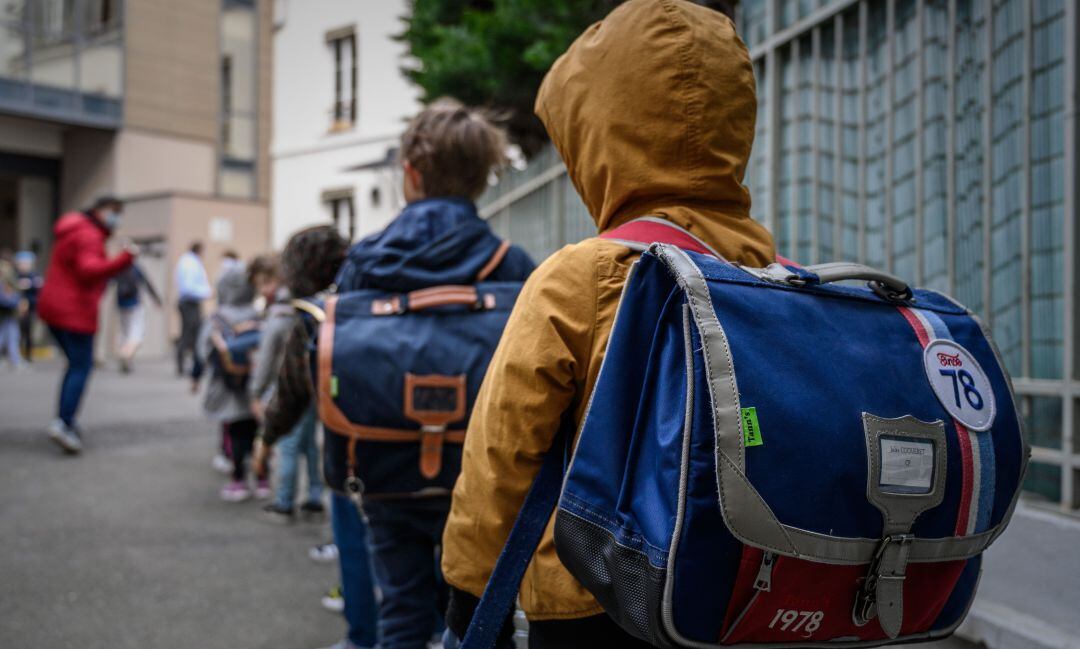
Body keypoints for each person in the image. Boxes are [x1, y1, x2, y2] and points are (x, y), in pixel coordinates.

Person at [439, 2, 777, 648]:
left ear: (600, 135)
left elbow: (501, 449)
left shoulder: (586, 275)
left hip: (591, 598)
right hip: (735, 590)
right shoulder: (768, 272)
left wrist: (467, 583)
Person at [325, 99, 535, 649]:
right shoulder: (512, 266)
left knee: (400, 610)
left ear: (410, 173)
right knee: (479, 614)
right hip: (480, 469)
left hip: (384, 462)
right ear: (482, 177)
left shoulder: (365, 261)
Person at [261, 225, 378, 649]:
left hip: (349, 453)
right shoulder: (382, 293)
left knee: (355, 547)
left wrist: (266, 440)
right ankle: (439, 631)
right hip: (417, 439)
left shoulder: (316, 314)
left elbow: (290, 389)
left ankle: (362, 637)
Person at [37, 195, 137, 453]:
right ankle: (64, 422)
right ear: (100, 210)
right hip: (73, 311)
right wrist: (124, 258)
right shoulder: (89, 234)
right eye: (114, 212)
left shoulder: (76, 228)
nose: (117, 218)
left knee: (75, 365)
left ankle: (65, 418)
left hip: (54, 306)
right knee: (81, 366)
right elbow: (89, 269)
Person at [246, 254, 324, 523]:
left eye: (265, 282)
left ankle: (284, 501)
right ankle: (315, 496)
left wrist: (256, 392)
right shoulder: (311, 307)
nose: (263, 290)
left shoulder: (279, 315)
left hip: (288, 387)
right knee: (311, 445)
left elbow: (267, 360)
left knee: (288, 445)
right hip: (315, 386)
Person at [192, 266, 267, 502]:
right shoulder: (258, 316)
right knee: (258, 433)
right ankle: (263, 478)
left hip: (226, 387)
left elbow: (203, 352)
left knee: (234, 433)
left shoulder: (217, 317)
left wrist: (197, 376)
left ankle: (238, 481)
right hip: (257, 384)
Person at [113, 263, 162, 373]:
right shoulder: (135, 268)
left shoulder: (118, 267)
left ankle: (125, 355)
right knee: (137, 333)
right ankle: (126, 354)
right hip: (134, 304)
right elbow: (147, 283)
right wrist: (157, 299)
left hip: (121, 305)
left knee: (125, 332)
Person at [175, 241, 211, 376]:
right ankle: (188, 366)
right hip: (189, 302)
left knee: (190, 334)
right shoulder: (190, 263)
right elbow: (189, 287)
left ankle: (192, 365)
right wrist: (207, 292)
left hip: (189, 302)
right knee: (190, 335)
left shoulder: (187, 261)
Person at [14, 251, 43, 362]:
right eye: (22, 263)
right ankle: (17, 354)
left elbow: (39, 285)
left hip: (31, 308)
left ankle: (28, 355)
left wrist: (29, 284)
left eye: (26, 263)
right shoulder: (15, 275)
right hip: (17, 308)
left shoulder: (34, 275)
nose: (24, 266)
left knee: (29, 332)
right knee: (18, 332)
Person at [0, 259, 23, 369]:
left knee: (11, 337)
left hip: (8, 316)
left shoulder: (7, 283)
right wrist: (16, 301)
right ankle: (15, 361)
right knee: (9, 337)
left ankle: (15, 360)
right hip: (5, 315)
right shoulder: (2, 284)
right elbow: (5, 301)